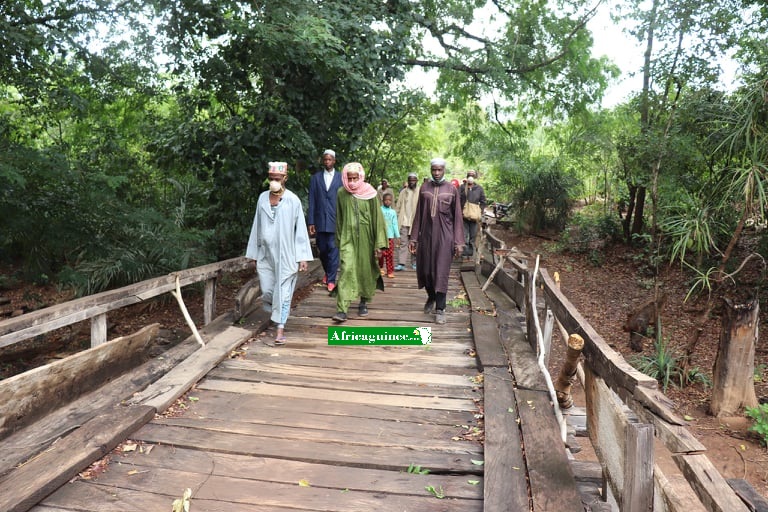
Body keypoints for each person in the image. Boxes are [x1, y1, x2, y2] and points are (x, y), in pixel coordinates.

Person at [245, 162, 314, 346]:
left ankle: (280, 329)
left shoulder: (293, 200)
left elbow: (299, 230)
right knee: (268, 291)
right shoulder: (262, 199)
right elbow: (256, 226)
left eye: (277, 178)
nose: (274, 181)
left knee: (283, 293)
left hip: (286, 255)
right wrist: (253, 253)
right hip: (266, 254)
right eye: (271, 178)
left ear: (285, 178)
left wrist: (302, 257)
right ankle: (274, 311)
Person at [409, 158, 464, 325]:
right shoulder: (424, 188)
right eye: (434, 169)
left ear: (444, 170)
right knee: (426, 271)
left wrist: (458, 242)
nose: (437, 173)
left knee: (440, 272)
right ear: (431, 169)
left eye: (440, 170)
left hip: (444, 237)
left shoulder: (451, 189)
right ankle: (431, 296)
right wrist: (413, 238)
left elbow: (458, 218)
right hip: (425, 236)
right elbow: (418, 214)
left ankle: (441, 309)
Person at [331, 162, 388, 323]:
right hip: (347, 238)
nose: (352, 181)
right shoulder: (342, 193)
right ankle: (342, 309)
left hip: (367, 237)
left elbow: (377, 218)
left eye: (355, 178)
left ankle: (364, 300)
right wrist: (339, 239)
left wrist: (379, 244)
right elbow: (339, 218)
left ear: (361, 177)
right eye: (349, 178)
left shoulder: (369, 193)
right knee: (346, 269)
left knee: (365, 269)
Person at [308, 149, 342, 292]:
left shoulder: (341, 178)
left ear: (334, 161)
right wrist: (311, 222)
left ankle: (332, 279)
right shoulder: (316, 178)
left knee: (334, 250)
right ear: (323, 161)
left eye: (330, 159)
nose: (327, 162)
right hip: (320, 220)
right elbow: (312, 201)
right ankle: (328, 272)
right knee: (322, 250)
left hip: (335, 221)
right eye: (325, 159)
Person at [394, 172, 420, 271]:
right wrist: (396, 220)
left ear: (417, 181)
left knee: (415, 243)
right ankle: (401, 263)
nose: (412, 182)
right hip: (404, 221)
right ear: (408, 181)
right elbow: (398, 207)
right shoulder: (403, 192)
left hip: (416, 223)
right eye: (410, 180)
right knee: (403, 243)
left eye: (414, 180)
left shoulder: (420, 191)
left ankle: (415, 263)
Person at [459, 169, 487, 258]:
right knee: (464, 235)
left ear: (475, 177)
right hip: (463, 216)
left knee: (473, 235)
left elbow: (483, 201)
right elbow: (457, 200)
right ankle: (464, 253)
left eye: (472, 175)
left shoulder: (479, 189)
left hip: (474, 217)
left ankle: (471, 253)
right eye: (469, 175)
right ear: (467, 176)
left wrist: (480, 211)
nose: (471, 176)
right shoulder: (462, 188)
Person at [378, 192, 399, 278]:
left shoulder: (393, 212)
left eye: (389, 200)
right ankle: (380, 268)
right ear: (382, 201)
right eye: (386, 200)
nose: (387, 202)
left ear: (392, 201)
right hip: (381, 236)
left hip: (390, 237)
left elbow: (395, 224)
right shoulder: (379, 210)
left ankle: (390, 271)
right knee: (381, 254)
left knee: (390, 254)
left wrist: (397, 236)